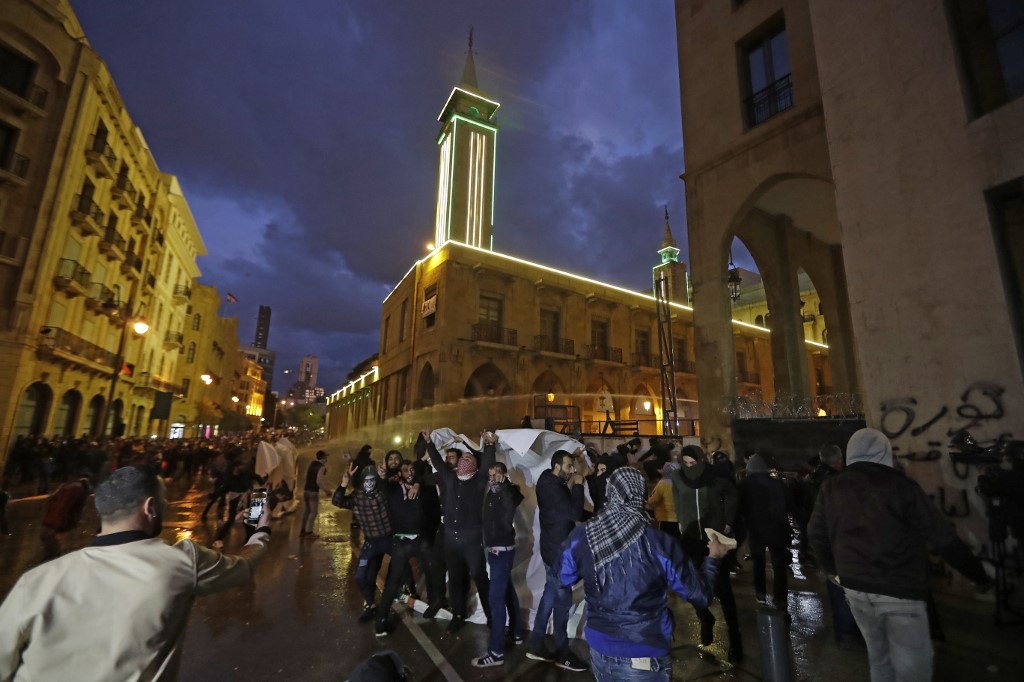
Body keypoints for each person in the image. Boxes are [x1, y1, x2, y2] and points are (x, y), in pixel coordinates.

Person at [0, 465, 270, 680]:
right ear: (150, 507)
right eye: (164, 503)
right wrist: (261, 530)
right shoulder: (182, 561)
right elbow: (244, 565)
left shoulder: (36, 581)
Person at [809, 428, 992, 682]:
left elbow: (816, 534)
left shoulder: (830, 488)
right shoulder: (902, 487)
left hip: (856, 590)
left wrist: (834, 572)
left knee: (879, 658)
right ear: (885, 452)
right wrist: (979, 575)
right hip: (900, 590)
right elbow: (943, 537)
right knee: (912, 668)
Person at [561, 467, 728, 681]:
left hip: (599, 650)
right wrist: (713, 558)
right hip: (644, 652)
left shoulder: (582, 536)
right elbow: (699, 594)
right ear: (640, 495)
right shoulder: (658, 543)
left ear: (610, 492)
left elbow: (564, 577)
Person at [671, 444, 743, 661]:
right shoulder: (677, 477)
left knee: (723, 589)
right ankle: (705, 617)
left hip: (713, 537)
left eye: (693, 463)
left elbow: (732, 495)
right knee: (688, 586)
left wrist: (728, 521)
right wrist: (681, 521)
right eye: (685, 463)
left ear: (701, 461)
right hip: (690, 537)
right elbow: (677, 499)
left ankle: (735, 640)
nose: (689, 467)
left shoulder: (715, 476)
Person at [425, 431, 495, 632]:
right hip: (451, 540)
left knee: (479, 577)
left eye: (469, 457)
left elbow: (489, 462)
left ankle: (491, 616)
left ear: (475, 464)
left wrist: (489, 446)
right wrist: (429, 442)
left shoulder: (479, 480)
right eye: (462, 457)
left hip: (471, 539)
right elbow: (438, 463)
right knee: (455, 578)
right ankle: (457, 614)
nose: (464, 459)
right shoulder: (450, 478)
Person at [526, 449, 588, 673]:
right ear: (557, 467)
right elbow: (575, 513)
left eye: (572, 467)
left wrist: (572, 456)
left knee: (549, 595)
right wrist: (579, 484)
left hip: (550, 551)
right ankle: (563, 652)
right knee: (562, 602)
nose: (572, 471)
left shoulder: (546, 477)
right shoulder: (555, 488)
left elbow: (568, 511)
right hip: (559, 555)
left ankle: (536, 642)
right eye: (569, 467)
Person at [472, 461, 525, 668]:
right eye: (490, 474)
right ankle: (517, 632)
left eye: (497, 474)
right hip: (494, 552)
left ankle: (496, 652)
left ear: (504, 475)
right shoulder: (492, 492)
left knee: (496, 601)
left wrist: (505, 485)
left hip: (502, 551)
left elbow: (514, 500)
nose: (493, 477)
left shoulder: (508, 491)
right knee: (507, 591)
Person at [375, 460, 430, 637]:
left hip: (420, 540)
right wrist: (382, 475)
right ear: (399, 473)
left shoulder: (420, 487)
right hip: (401, 542)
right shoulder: (394, 488)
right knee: (393, 581)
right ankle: (381, 621)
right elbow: (382, 487)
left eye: (411, 469)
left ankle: (437, 604)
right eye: (405, 470)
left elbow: (423, 471)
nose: (409, 472)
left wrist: (417, 482)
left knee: (434, 569)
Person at [336, 463, 394, 624]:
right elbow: (338, 502)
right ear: (362, 482)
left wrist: (383, 477)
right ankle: (370, 604)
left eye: (372, 480)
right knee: (361, 576)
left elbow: (391, 491)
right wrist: (343, 484)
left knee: (401, 570)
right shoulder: (357, 497)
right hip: (371, 543)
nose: (369, 483)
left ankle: (407, 595)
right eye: (366, 480)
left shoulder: (382, 493)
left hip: (389, 540)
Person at [738, 454, 792, 617]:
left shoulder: (745, 485)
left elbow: (741, 508)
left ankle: (760, 593)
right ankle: (780, 599)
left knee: (759, 563)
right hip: (778, 529)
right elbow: (789, 505)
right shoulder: (779, 484)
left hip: (757, 530)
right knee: (779, 566)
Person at [38, 475, 92, 561]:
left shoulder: (72, 486)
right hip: (53, 527)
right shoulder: (76, 490)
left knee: (52, 555)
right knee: (51, 557)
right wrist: (60, 530)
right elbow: (62, 509)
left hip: (51, 524)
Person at [301, 450, 332, 539]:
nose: (326, 459)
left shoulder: (311, 464)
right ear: (323, 457)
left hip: (306, 490)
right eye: (326, 457)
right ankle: (309, 532)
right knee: (313, 512)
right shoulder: (321, 467)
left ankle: (303, 531)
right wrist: (327, 490)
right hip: (313, 492)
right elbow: (319, 481)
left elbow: (305, 476)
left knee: (307, 511)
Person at [646, 462, 680, 538]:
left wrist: (648, 499)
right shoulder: (680, 484)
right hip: (678, 518)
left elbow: (653, 500)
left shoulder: (662, 484)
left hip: (664, 517)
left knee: (664, 539)